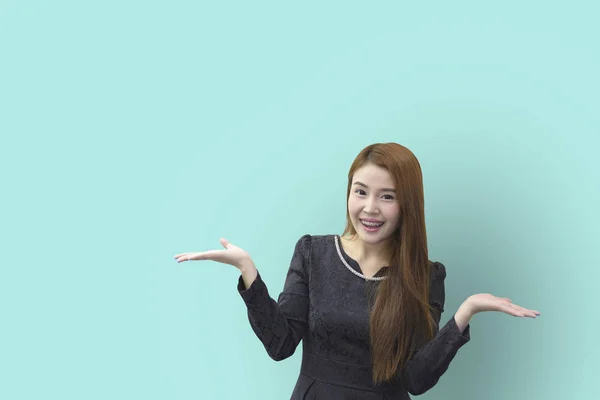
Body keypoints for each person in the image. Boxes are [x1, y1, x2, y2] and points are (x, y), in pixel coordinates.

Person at [174, 142, 540, 399]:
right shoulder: (312, 253)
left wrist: (465, 313)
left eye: (387, 196)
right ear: (348, 193)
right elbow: (280, 343)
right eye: (360, 191)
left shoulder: (425, 276)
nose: (370, 208)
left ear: (407, 204)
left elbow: (416, 379)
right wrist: (247, 271)